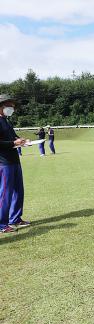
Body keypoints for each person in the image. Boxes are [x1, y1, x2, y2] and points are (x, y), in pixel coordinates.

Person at [0, 94, 31, 233]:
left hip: (14, 160)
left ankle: (15, 219)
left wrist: (21, 141)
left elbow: (13, 137)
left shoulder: (6, 121)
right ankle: (2, 224)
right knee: (5, 194)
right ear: (1, 106)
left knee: (18, 191)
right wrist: (13, 143)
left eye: (12, 106)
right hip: (4, 162)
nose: (11, 108)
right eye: (8, 105)